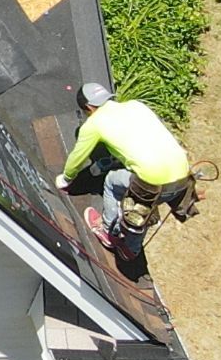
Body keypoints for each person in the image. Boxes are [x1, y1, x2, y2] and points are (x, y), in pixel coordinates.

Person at [59, 82, 194, 250]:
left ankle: (107, 230)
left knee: (111, 182)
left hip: (152, 181)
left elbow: (77, 157)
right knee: (143, 208)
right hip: (183, 174)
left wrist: (66, 179)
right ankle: (132, 249)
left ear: (88, 107)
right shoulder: (136, 106)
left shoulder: (93, 124)